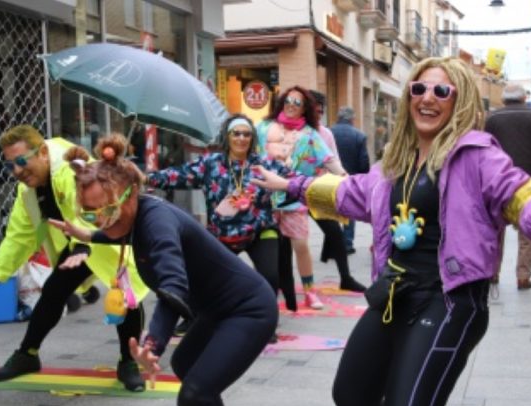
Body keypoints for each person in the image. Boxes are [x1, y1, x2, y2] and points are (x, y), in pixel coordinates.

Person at [252, 56, 531, 406]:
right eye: (418, 89)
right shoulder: (395, 162)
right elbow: (351, 192)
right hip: (396, 294)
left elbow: (516, 190)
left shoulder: (476, 154)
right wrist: (291, 184)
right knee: (352, 395)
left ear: (459, 101)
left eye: (442, 91)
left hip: (450, 301)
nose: (427, 98)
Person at [52, 134, 277, 406]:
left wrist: (152, 342)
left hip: (249, 309)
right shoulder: (133, 217)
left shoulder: (156, 223)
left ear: (130, 196)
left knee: (194, 395)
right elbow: (116, 230)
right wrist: (87, 234)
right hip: (217, 310)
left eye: (106, 210)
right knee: (186, 363)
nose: (101, 219)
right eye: (90, 213)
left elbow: (172, 285)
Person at [0, 125, 149, 391]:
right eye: (10, 165)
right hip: (77, 245)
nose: (16, 171)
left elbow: (85, 208)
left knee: (126, 295)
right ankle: (27, 355)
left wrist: (83, 246)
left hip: (106, 236)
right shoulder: (27, 191)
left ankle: (129, 362)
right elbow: (20, 235)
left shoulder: (69, 168)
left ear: (42, 152)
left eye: (21, 161)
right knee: (53, 291)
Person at [145, 114, 290, 308]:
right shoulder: (210, 163)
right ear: (227, 136)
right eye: (236, 133)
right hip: (221, 233)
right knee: (201, 278)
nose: (241, 138)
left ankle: (265, 316)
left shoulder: (265, 164)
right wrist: (145, 178)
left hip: (259, 229)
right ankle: (199, 315)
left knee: (270, 277)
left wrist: (315, 183)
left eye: (246, 134)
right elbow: (178, 175)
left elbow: (294, 181)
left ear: (252, 138)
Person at [255, 86, 354, 310]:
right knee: (266, 250)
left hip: (294, 198)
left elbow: (329, 159)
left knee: (300, 245)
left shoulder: (310, 135)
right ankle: (265, 294)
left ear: (304, 109)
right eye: (288, 101)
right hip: (265, 200)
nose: (291, 105)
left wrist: (348, 181)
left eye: (297, 102)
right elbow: (243, 148)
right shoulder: (263, 128)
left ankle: (310, 292)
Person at [485, 84, 531, 290]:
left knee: (496, 229)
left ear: (503, 99)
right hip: (529, 181)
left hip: (498, 180)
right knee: (526, 230)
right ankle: (523, 276)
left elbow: (483, 148)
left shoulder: (492, 118)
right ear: (524, 98)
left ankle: (493, 272)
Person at [308, 90, 366, 291]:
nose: (317, 115)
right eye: (314, 111)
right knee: (285, 241)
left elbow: (333, 160)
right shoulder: (289, 132)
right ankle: (280, 281)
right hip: (289, 190)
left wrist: (347, 181)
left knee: (335, 232)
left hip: (317, 190)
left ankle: (346, 278)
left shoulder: (326, 133)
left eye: (320, 111)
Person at [331, 106, 371, 254]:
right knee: (348, 209)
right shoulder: (359, 135)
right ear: (352, 119)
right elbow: (364, 161)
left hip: (330, 178)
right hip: (351, 178)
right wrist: (364, 178)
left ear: (338, 117)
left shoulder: (329, 132)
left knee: (331, 210)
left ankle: (333, 244)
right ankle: (347, 244)